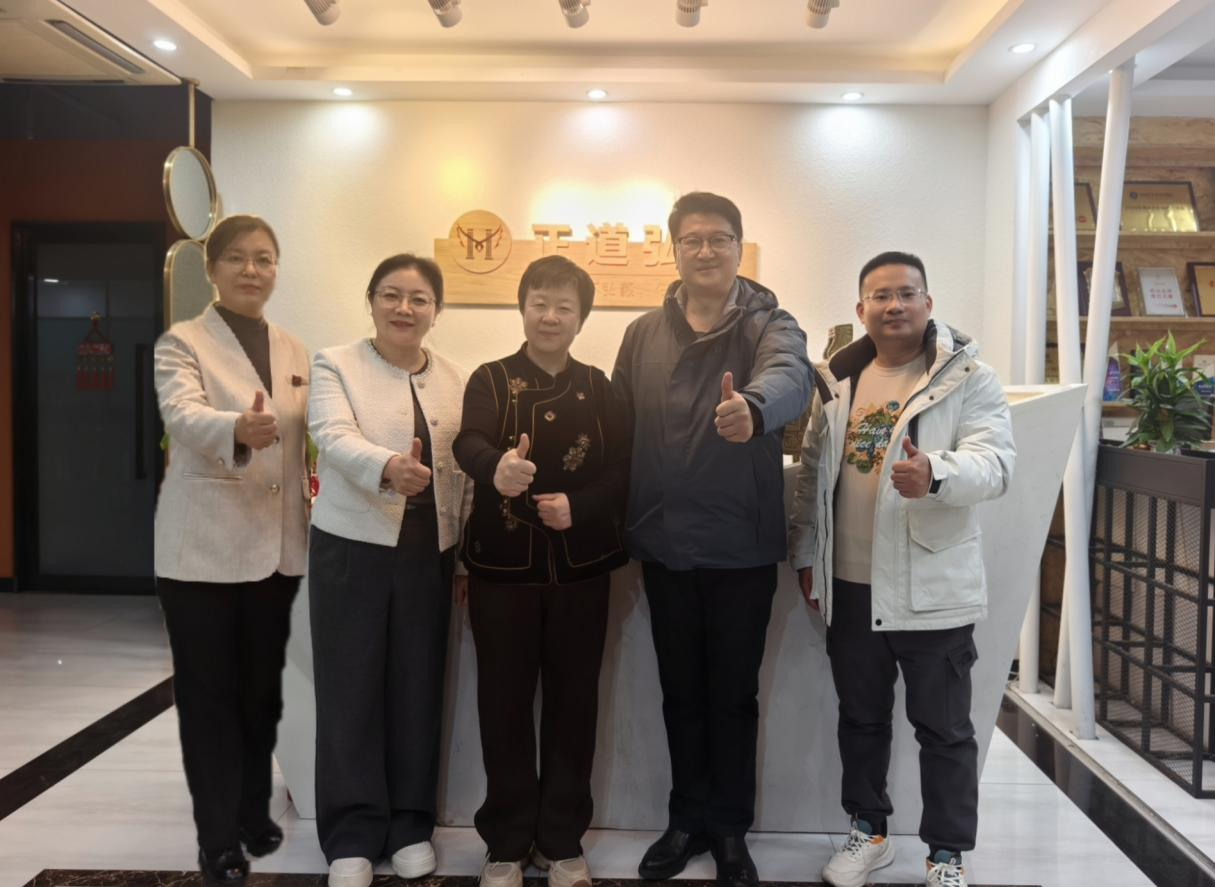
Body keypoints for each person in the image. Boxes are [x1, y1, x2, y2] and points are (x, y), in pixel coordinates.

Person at [788, 251, 1015, 887]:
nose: (894, 306)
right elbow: (813, 475)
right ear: (861, 309)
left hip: (931, 590)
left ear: (928, 303)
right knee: (860, 720)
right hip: (850, 588)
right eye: (881, 295)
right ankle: (869, 832)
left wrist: (935, 472)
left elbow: (997, 464)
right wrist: (807, 553)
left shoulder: (968, 377)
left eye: (907, 293)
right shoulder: (837, 382)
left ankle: (946, 856)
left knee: (944, 731)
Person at [612, 192, 813, 887]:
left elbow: (791, 377)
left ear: (738, 247)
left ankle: (728, 828)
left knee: (731, 695)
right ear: (673, 250)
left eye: (719, 238)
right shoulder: (642, 332)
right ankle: (684, 819)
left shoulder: (769, 322)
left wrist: (752, 407)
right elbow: (617, 424)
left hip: (738, 546)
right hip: (664, 541)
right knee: (678, 691)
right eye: (691, 239)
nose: (705, 250)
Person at [453, 255, 629, 887]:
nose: (550, 316)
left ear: (582, 318)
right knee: (501, 705)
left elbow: (623, 469)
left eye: (564, 307)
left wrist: (579, 506)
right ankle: (505, 843)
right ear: (522, 308)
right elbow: (468, 441)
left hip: (581, 570)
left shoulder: (601, 386)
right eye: (539, 303)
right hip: (502, 570)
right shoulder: (491, 378)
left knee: (573, 705)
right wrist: (495, 468)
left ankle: (561, 840)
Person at [153, 214, 310, 887]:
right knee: (209, 699)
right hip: (203, 552)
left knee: (259, 696)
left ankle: (251, 811)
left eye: (264, 258)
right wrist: (236, 427)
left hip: (276, 547)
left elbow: (307, 435)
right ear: (212, 269)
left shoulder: (293, 347)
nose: (252, 270)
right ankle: (217, 839)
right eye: (238, 258)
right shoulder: (182, 342)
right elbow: (182, 414)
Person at [307, 254, 471, 887]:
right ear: (371, 300)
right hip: (352, 546)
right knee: (349, 689)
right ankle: (351, 832)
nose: (405, 308)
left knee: (417, 685)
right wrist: (385, 466)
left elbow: (466, 474)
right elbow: (331, 433)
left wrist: (465, 558)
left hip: (431, 550)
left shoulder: (456, 377)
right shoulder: (335, 363)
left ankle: (409, 824)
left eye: (419, 298)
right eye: (392, 295)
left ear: (437, 310)